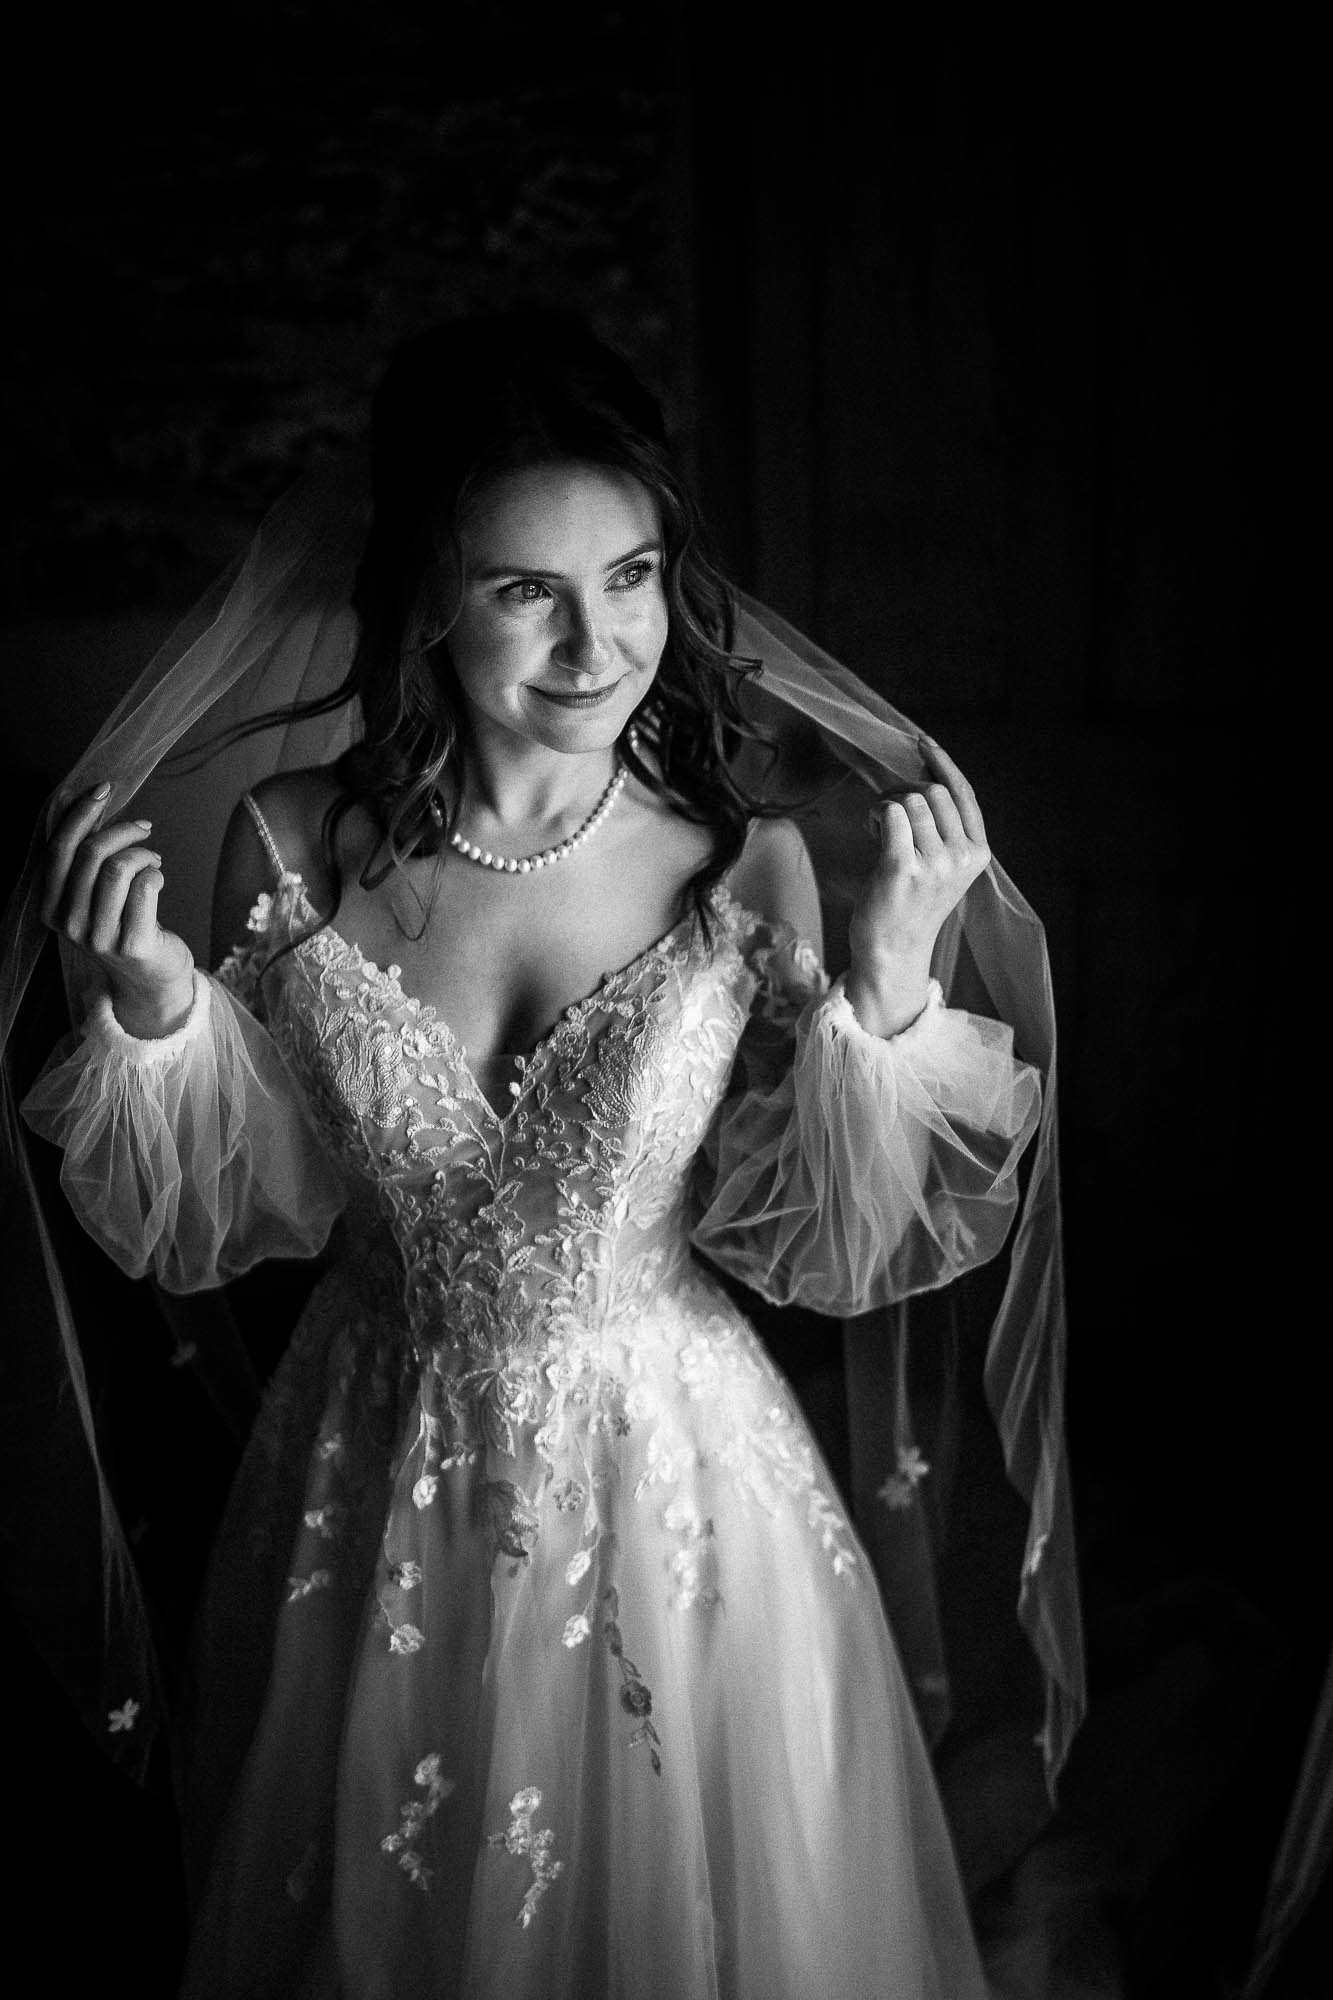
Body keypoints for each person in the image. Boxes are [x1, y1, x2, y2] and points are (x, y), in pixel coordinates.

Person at [17, 313, 1067, 1997]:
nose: (600, 642)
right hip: (373, 1481)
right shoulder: (284, 847)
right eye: (528, 590)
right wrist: (156, 1012)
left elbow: (829, 1238)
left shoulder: (749, 864)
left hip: (683, 1495)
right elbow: (250, 1204)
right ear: (429, 596)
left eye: (633, 574)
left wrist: (883, 990)